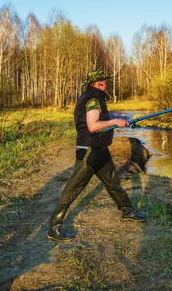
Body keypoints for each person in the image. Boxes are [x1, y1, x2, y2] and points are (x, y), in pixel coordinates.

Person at [47, 69, 146, 242]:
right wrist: (115, 122)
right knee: (73, 188)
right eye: (104, 81)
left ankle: (128, 212)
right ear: (98, 83)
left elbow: (100, 122)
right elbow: (92, 126)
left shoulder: (93, 97)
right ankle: (54, 228)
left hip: (100, 150)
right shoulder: (93, 99)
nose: (106, 83)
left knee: (114, 184)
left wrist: (120, 120)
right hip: (90, 151)